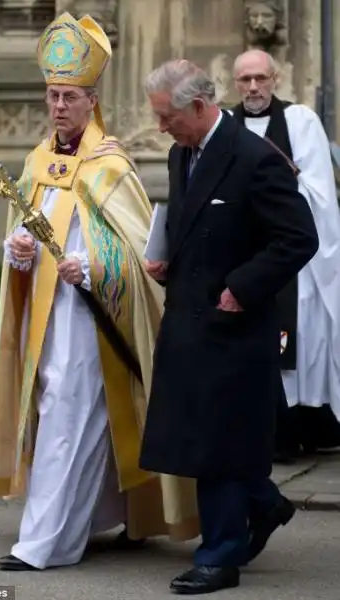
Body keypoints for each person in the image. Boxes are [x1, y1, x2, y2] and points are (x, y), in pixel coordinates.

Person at [0, 14, 199, 572]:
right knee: (68, 412)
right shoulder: (35, 161)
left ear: (91, 100)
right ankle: (119, 514)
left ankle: (43, 543)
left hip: (89, 318)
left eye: (69, 96)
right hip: (44, 319)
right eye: (52, 95)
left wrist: (95, 265)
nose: (58, 106)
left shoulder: (111, 165)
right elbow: (25, 223)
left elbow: (141, 252)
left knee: (71, 416)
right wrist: (19, 252)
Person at [139, 59, 319, 594]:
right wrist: (169, 258)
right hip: (189, 319)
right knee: (195, 438)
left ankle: (219, 555)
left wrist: (243, 285)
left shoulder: (254, 158)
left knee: (216, 444)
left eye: (166, 116)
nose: (160, 127)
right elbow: (194, 225)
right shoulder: (180, 153)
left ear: (197, 107)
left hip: (234, 327)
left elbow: (297, 238)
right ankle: (264, 506)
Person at [230, 49, 340, 463]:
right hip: (244, 255)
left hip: (293, 257)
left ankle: (299, 427)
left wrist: (274, 182)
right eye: (245, 80)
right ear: (235, 83)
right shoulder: (226, 125)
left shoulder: (300, 121)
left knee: (299, 338)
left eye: (260, 78)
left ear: (275, 79)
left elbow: (318, 190)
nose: (253, 87)